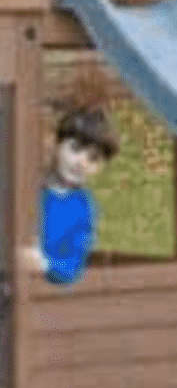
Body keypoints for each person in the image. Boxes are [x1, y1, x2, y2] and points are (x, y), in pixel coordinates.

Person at [23, 105, 119, 286]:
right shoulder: (30, 187)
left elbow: (73, 264)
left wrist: (44, 264)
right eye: (75, 149)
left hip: (43, 291)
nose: (81, 162)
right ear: (55, 144)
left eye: (93, 158)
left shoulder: (83, 207)